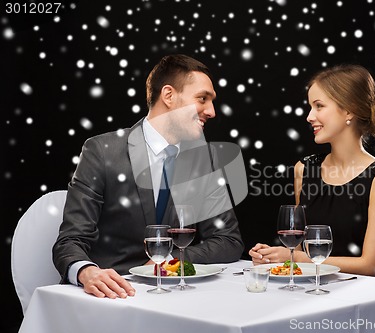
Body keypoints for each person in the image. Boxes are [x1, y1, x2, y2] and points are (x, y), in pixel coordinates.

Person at [53, 54, 245, 299]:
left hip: (180, 297)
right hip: (114, 297)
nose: (211, 111)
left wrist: (169, 261)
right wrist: (86, 271)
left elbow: (228, 240)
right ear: (168, 96)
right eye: (202, 99)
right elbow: (70, 241)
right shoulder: (101, 151)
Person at [249, 64, 375, 278]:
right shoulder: (304, 169)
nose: (309, 116)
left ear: (349, 110)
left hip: (364, 293)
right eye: (311, 107)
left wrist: (296, 258)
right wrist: (275, 256)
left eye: (319, 106)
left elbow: (370, 266)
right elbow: (298, 250)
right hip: (312, 288)